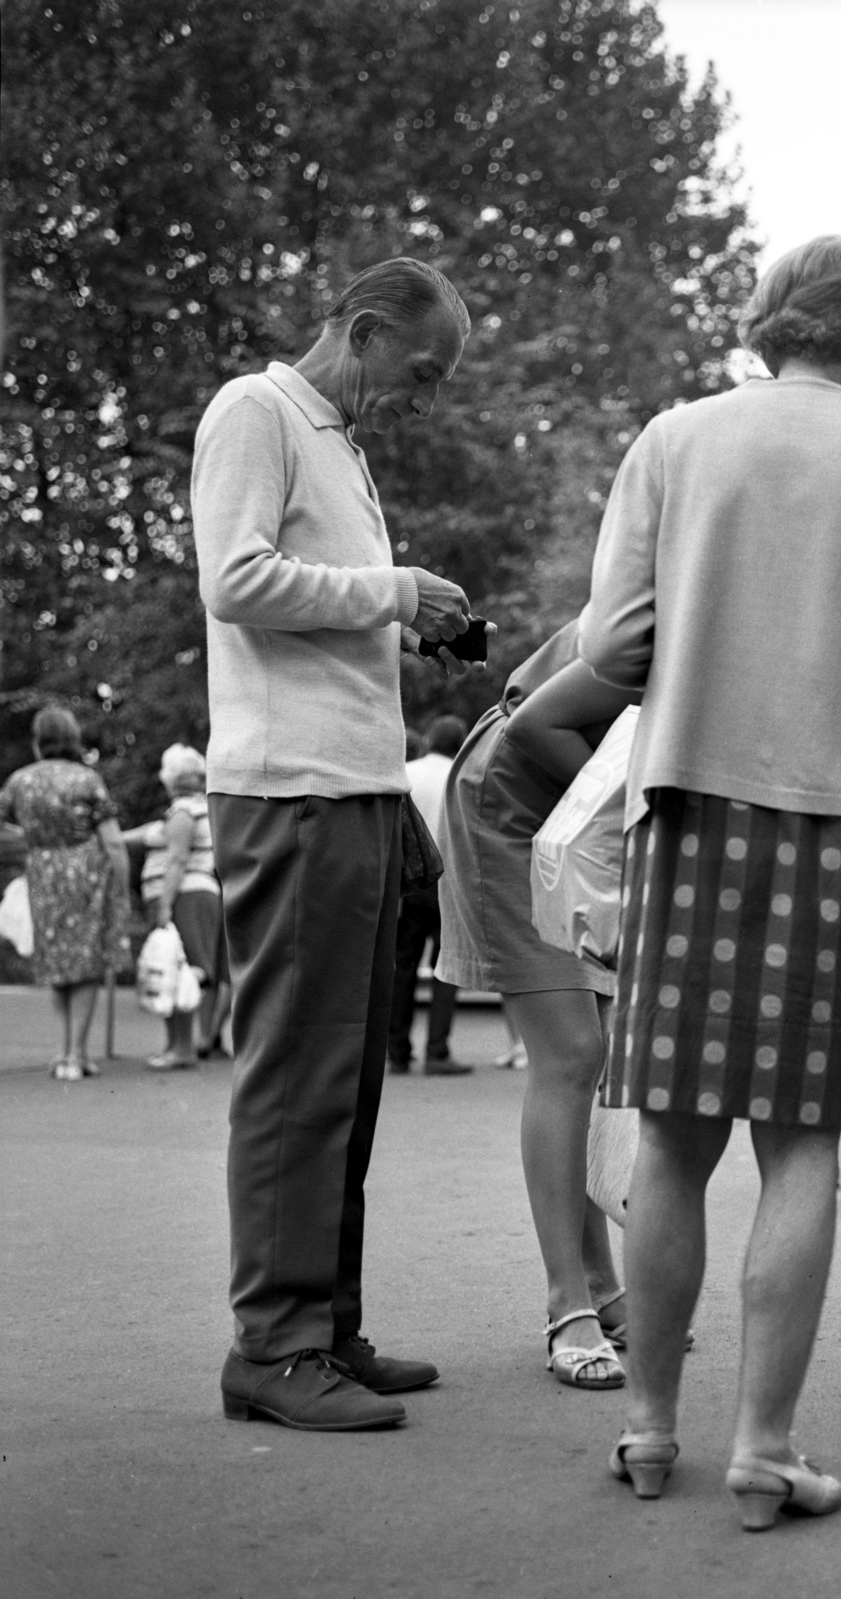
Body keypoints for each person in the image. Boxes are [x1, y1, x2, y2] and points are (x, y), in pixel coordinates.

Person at [581, 235, 841, 1522]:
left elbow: (612, 641)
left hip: (689, 806)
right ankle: (762, 1446)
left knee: (673, 1135)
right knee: (802, 1142)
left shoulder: (674, 441)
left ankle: (650, 1431)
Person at [193, 255, 482, 1432]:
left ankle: (324, 1326)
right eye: (421, 371)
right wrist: (395, 591)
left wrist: (402, 624)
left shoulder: (338, 443)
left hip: (354, 789)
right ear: (360, 332)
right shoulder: (255, 411)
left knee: (347, 1080)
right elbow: (236, 580)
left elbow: (313, 602)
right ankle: (273, 1344)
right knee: (299, 1078)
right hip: (293, 791)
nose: (427, 396)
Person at [433, 626, 628, 1391]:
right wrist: (626, 820)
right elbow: (537, 723)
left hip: (575, 811)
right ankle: (567, 1305)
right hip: (513, 805)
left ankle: (603, 1286)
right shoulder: (681, 601)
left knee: (597, 1049)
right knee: (572, 1052)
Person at [0, 707, 130, 1080]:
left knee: (56, 961)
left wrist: (33, 840)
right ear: (73, 739)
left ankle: (61, 1052)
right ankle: (77, 1054)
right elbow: (114, 843)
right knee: (86, 963)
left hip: (43, 873)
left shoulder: (19, 781)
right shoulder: (87, 780)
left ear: (38, 741)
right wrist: (121, 887)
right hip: (86, 873)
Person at [135, 744, 230, 1069]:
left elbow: (177, 860)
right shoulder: (198, 809)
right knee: (181, 968)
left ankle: (182, 1048)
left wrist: (164, 904)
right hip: (197, 894)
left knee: (181, 968)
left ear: (170, 778)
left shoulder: (183, 812)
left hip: (184, 896)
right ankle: (179, 1045)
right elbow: (149, 835)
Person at [390, 714, 469, 1076]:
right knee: (445, 968)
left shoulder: (407, 771)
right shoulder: (461, 774)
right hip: (449, 882)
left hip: (409, 880)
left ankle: (397, 1051)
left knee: (402, 966)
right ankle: (437, 1052)